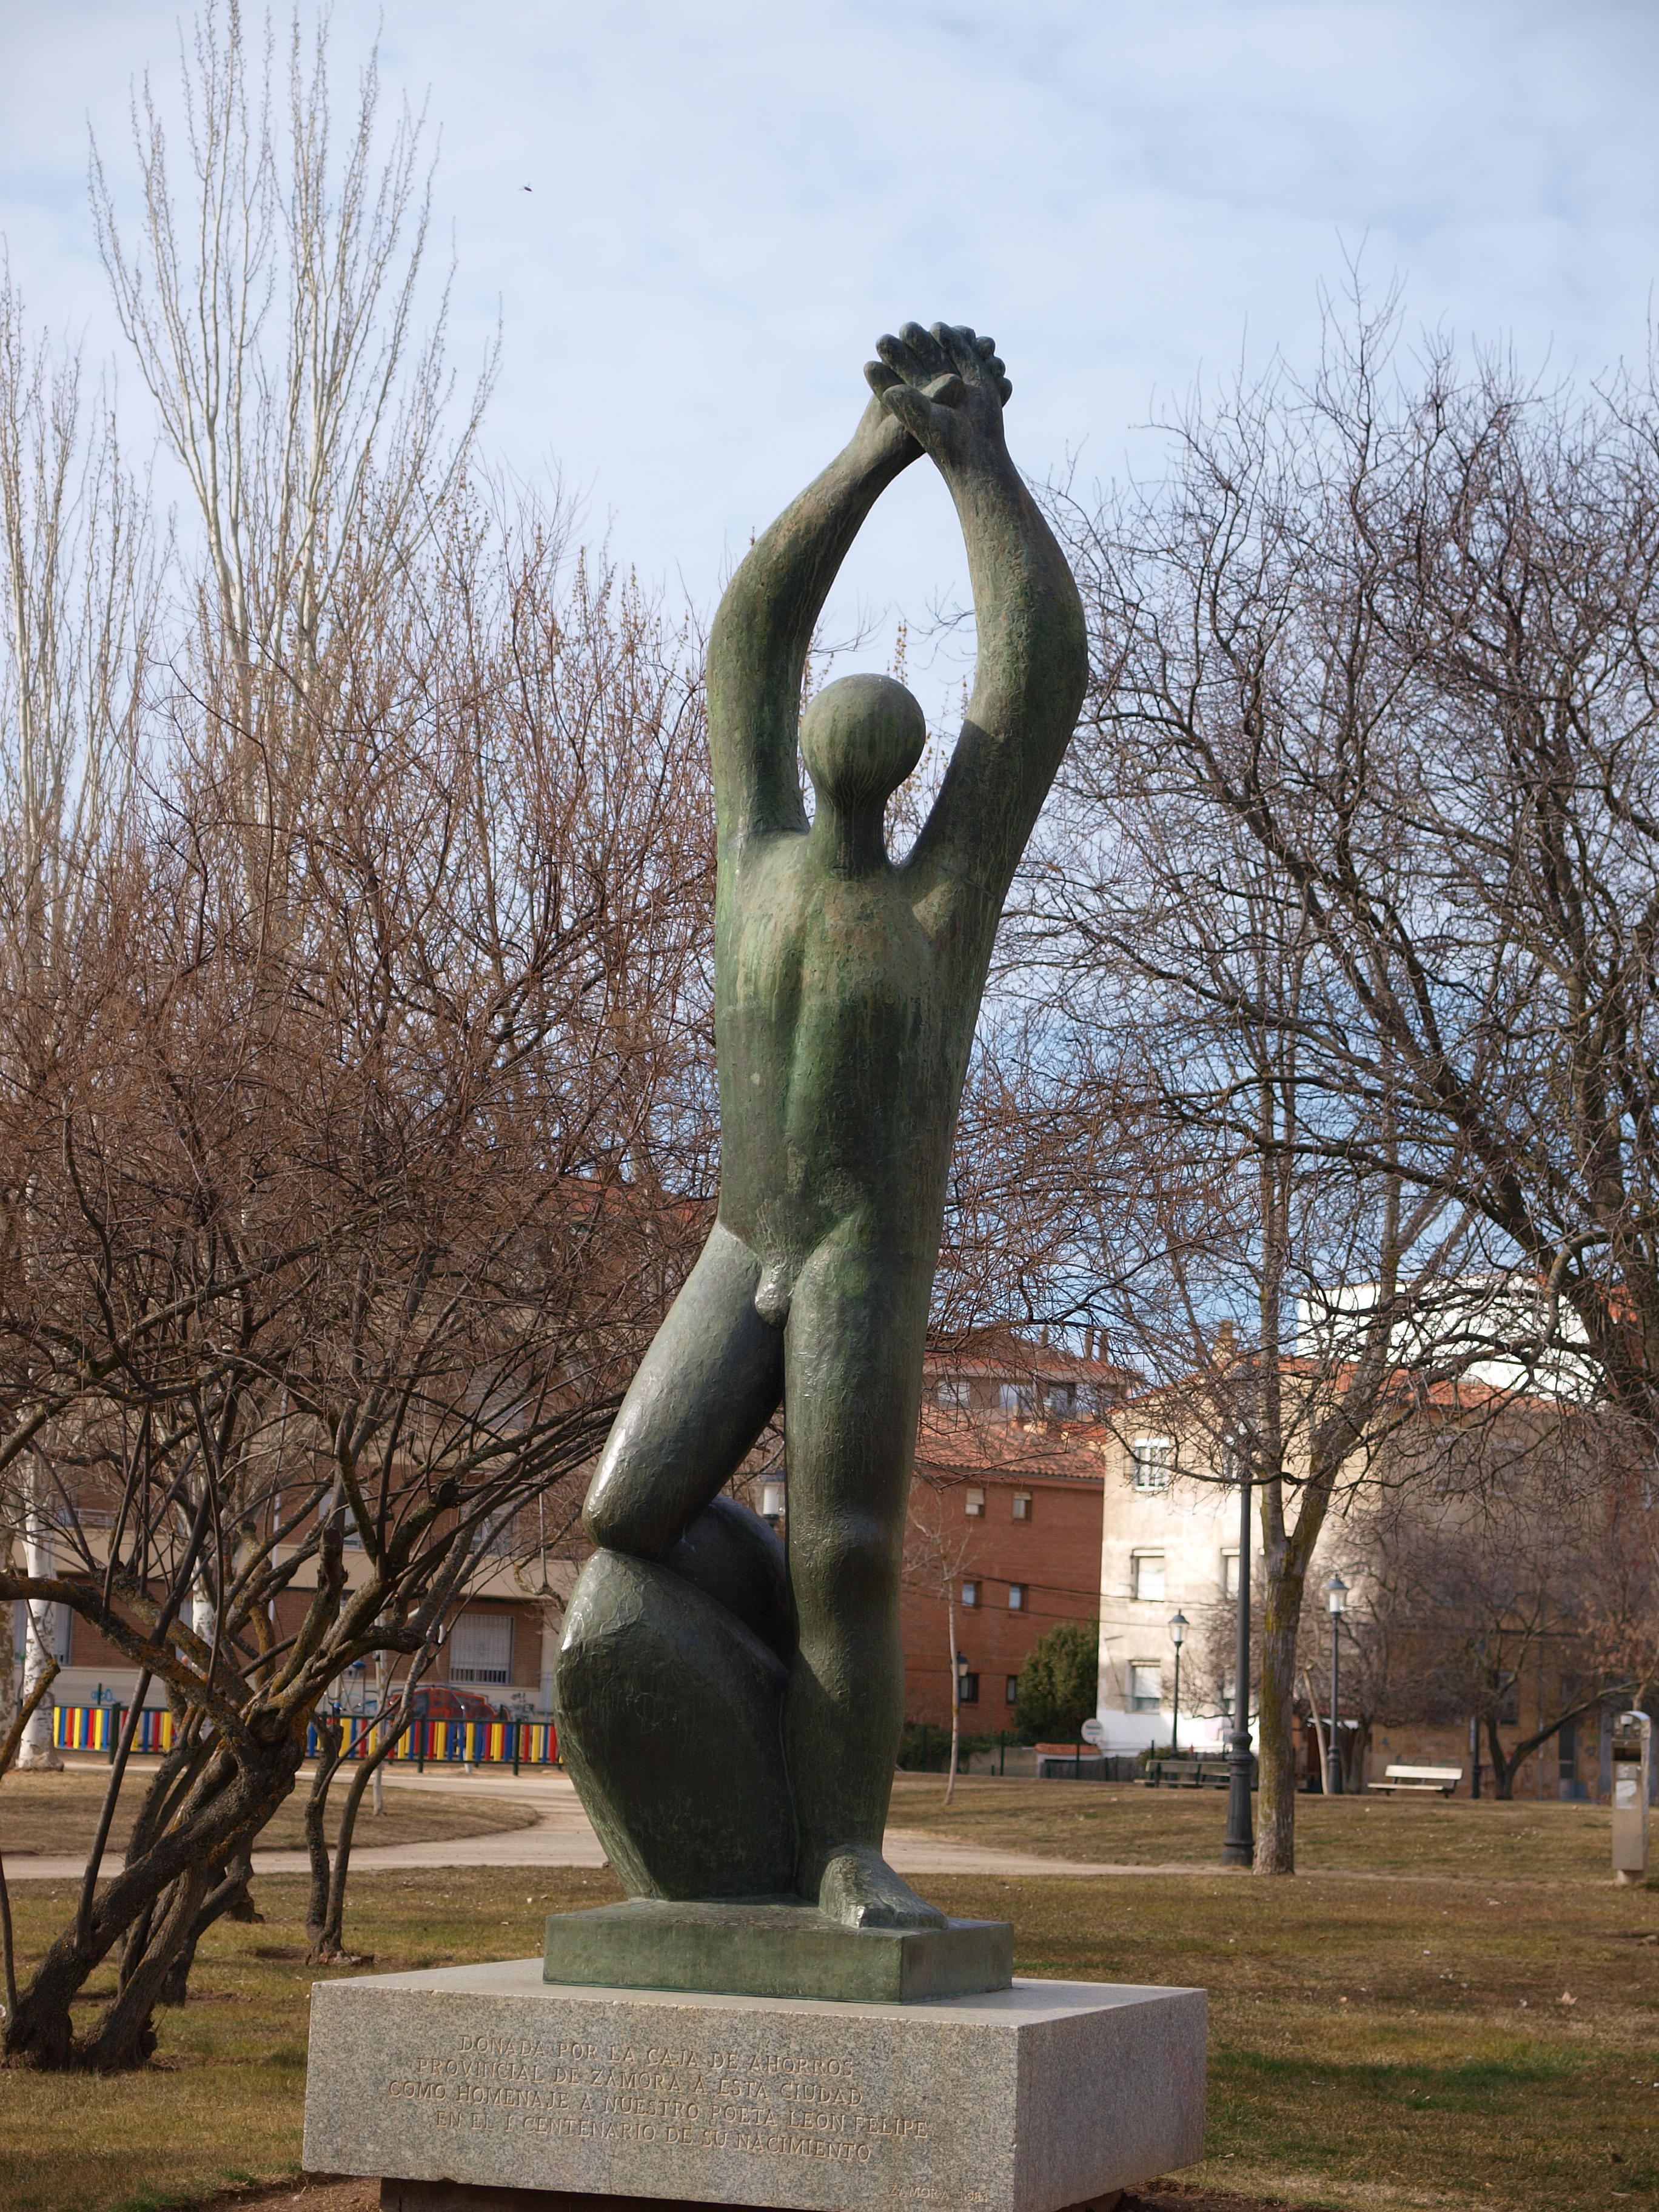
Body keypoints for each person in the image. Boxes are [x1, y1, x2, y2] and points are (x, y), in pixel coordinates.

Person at [572, 323, 1086, 1928]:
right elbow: (754, 628)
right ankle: (761, 1684)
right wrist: (877, 448)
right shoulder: (761, 859)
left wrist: (980, 465)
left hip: (862, 1259)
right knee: (625, 1513)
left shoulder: (946, 895)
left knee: (851, 1551)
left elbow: (1035, 674)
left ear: (906, 760)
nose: (833, 736)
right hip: (754, 1241)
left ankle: (844, 1845)